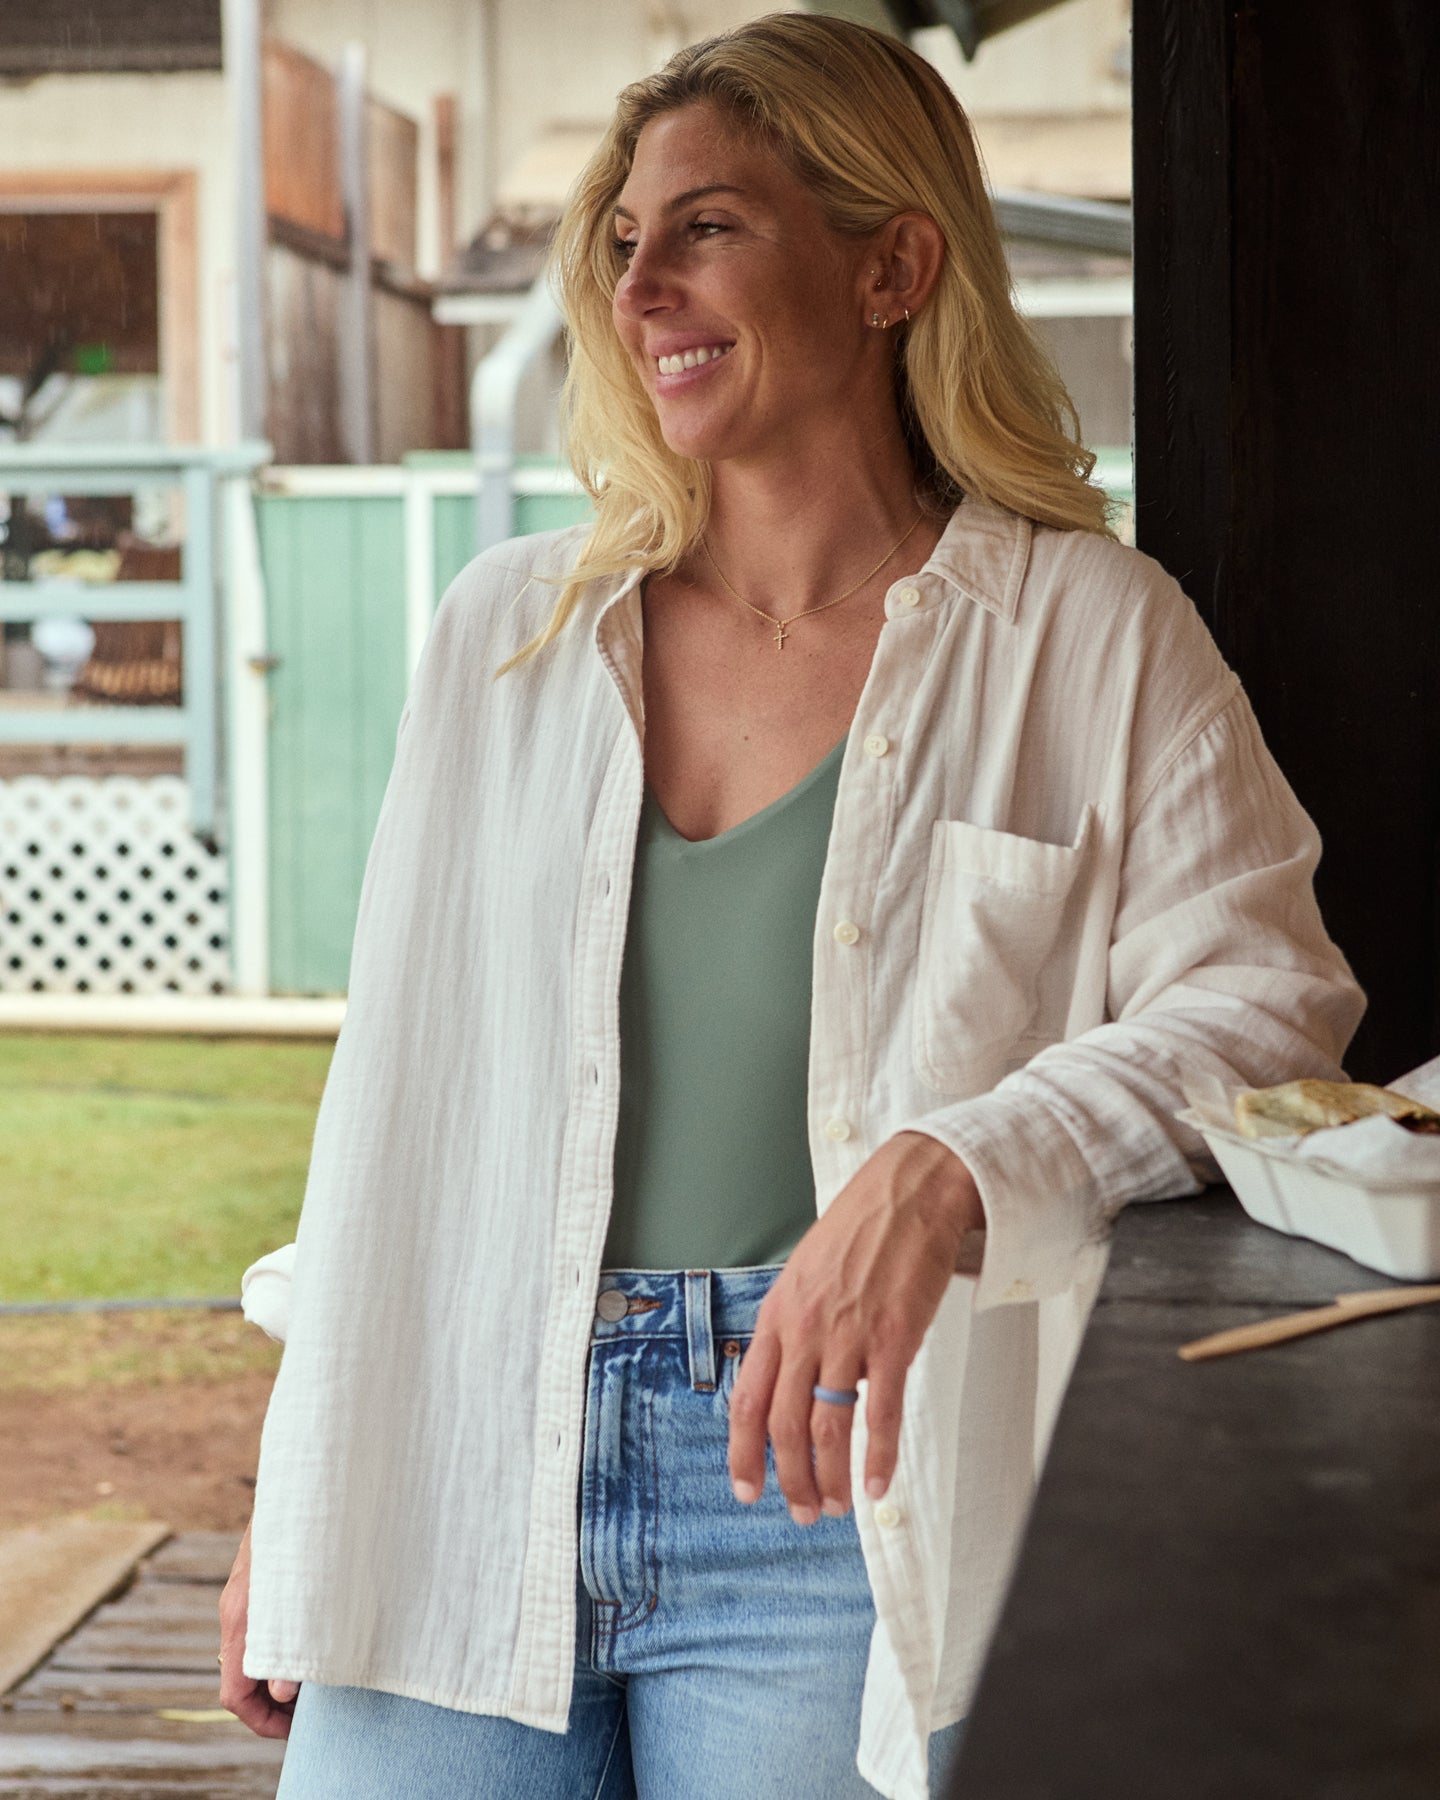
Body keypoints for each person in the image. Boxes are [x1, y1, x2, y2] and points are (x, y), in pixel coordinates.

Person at [217, 15, 1363, 1799]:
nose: (640, 289)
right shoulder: (509, 635)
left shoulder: (1085, 635)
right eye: (624, 241)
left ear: (892, 267)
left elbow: (1266, 1006)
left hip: (837, 1480)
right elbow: (400, 1099)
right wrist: (304, 1492)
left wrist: (953, 1164)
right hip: (460, 1456)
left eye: (709, 226)